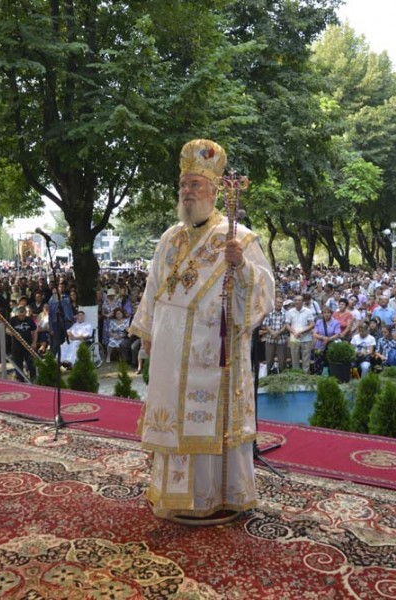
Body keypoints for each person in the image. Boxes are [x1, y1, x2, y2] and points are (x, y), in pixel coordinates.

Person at [129, 139, 274, 524]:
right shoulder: (168, 239)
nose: (187, 192)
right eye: (184, 185)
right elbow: (153, 288)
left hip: (213, 353)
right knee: (173, 419)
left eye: (196, 185)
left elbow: (263, 290)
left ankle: (217, 496)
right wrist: (146, 332)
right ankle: (174, 495)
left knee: (208, 419)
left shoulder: (237, 237)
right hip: (170, 354)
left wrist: (241, 266)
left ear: (214, 190)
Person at [8, 305, 38, 382]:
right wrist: (13, 333)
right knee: (18, 364)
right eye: (20, 315)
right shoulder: (13, 320)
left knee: (31, 363)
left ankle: (33, 378)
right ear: (17, 313)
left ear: (25, 313)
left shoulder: (29, 320)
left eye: (23, 315)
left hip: (28, 345)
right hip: (16, 346)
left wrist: (34, 342)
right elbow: (7, 329)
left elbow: (35, 331)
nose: (21, 317)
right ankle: (20, 379)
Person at [260, 296, 288, 374]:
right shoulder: (270, 312)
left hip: (281, 339)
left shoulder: (286, 313)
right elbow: (266, 324)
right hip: (270, 339)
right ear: (274, 303)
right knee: (269, 359)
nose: (279, 304)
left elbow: (286, 325)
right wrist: (273, 332)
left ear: (282, 304)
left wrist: (278, 333)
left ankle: (282, 376)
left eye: (281, 303)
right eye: (277, 302)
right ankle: (269, 375)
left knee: (282, 359)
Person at [311, 306, 341, 375]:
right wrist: (323, 338)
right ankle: (317, 377)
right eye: (325, 313)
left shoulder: (336, 322)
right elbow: (315, 334)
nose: (326, 314)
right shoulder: (319, 322)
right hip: (320, 346)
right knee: (318, 363)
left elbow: (338, 334)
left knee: (331, 363)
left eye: (328, 313)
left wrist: (328, 339)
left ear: (331, 314)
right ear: (322, 314)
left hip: (331, 345)